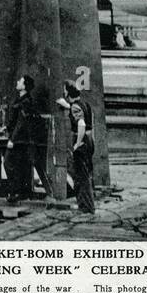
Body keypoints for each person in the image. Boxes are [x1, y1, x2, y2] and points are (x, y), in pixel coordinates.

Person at [57, 79, 95, 214]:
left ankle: (85, 208)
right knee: (85, 174)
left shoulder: (75, 107)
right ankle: (87, 206)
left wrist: (77, 143)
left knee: (80, 176)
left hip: (82, 141)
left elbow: (81, 124)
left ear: (68, 91)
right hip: (89, 141)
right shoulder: (84, 104)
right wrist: (68, 106)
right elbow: (80, 112)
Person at [4, 74, 42, 201]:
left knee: (9, 163)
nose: (17, 82)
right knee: (19, 165)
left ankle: (15, 192)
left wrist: (12, 140)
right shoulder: (21, 99)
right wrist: (6, 127)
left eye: (20, 81)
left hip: (20, 140)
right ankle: (18, 192)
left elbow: (21, 123)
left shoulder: (25, 102)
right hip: (20, 139)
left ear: (24, 86)